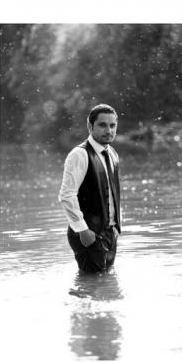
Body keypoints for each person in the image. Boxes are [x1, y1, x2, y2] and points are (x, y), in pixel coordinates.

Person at [59, 104, 121, 273]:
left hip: (109, 233)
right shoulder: (79, 154)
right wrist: (83, 230)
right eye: (102, 125)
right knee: (92, 286)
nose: (108, 130)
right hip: (87, 234)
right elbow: (67, 196)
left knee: (106, 285)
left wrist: (115, 227)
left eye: (112, 125)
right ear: (90, 126)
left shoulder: (113, 153)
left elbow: (111, 194)